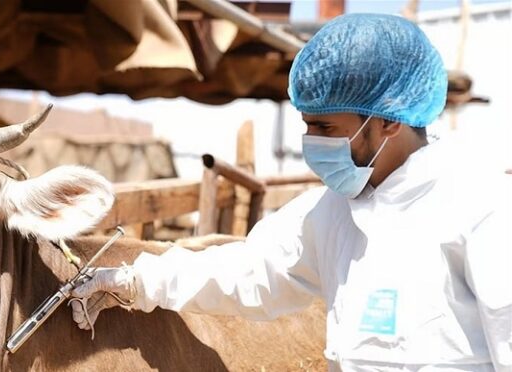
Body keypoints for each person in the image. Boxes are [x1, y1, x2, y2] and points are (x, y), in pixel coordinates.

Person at [68, 13, 511, 371]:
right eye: (307, 125)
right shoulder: (331, 213)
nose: (310, 142)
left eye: (325, 127)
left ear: (388, 121)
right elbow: (248, 271)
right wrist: (136, 280)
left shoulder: (482, 209)